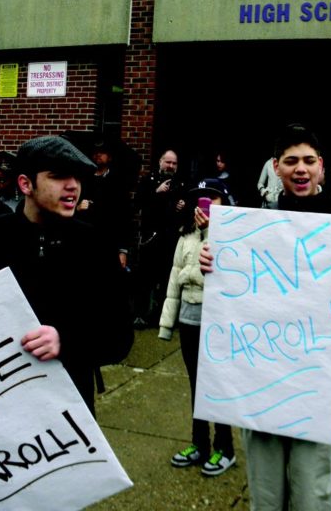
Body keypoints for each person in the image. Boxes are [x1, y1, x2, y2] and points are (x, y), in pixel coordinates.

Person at [200, 123, 331, 511]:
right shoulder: (254, 223)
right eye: (291, 161)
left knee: (312, 489)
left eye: (309, 161)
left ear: (322, 167)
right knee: (265, 490)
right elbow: (236, 293)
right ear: (276, 167)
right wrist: (216, 263)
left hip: (320, 375)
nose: (301, 169)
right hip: (261, 376)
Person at [0, 135, 131, 416]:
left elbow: (118, 335)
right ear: (26, 184)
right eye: (59, 176)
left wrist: (65, 342)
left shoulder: (94, 245)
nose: (73, 186)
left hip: (67, 414)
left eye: (78, 177)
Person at [159, 178, 237, 477]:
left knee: (217, 385)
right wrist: (167, 323)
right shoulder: (185, 235)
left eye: (212, 198)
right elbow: (173, 278)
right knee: (196, 383)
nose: (204, 204)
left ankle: (225, 448)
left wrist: (210, 231)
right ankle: (199, 443)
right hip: (190, 319)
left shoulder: (232, 236)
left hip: (217, 320)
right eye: (200, 199)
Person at [134, 149, 188, 328]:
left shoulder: (180, 184)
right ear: (160, 161)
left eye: (174, 163)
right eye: (168, 162)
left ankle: (160, 317)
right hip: (151, 237)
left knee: (166, 279)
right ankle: (140, 315)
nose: (171, 166)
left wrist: (182, 205)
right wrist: (156, 192)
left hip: (171, 238)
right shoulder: (148, 181)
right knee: (145, 279)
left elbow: (187, 209)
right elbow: (137, 204)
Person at [76, 138, 133, 269]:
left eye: (103, 152)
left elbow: (125, 218)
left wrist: (123, 251)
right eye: (96, 152)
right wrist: (77, 208)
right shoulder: (83, 180)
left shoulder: (118, 183)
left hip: (109, 243)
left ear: (110, 157)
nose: (98, 155)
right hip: (85, 243)